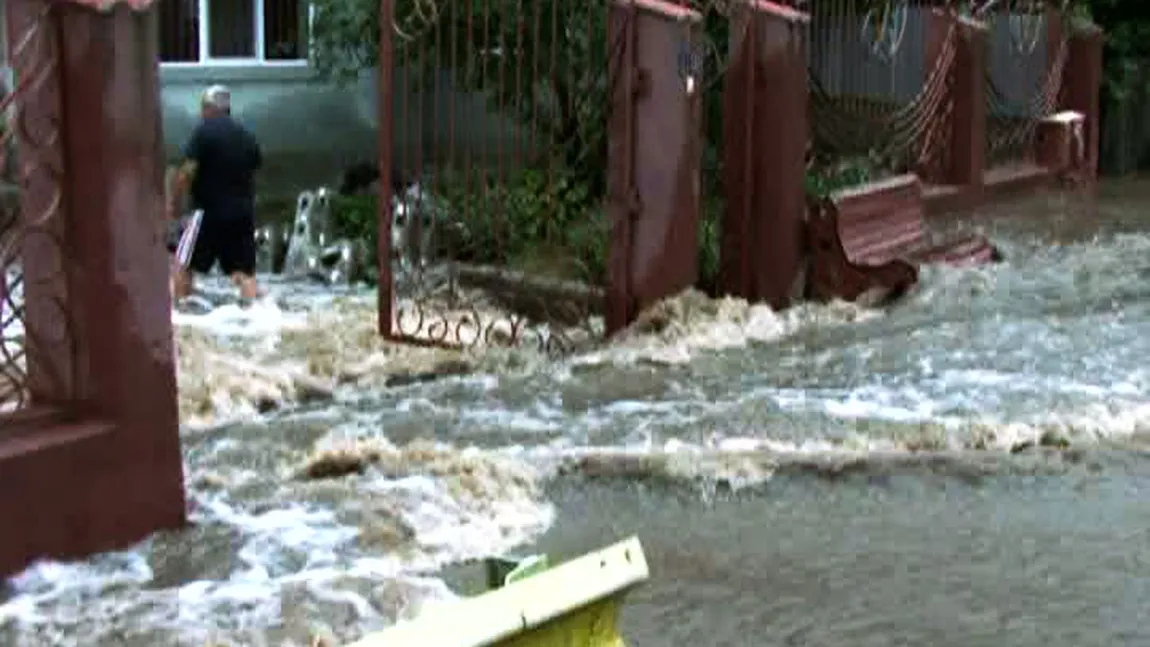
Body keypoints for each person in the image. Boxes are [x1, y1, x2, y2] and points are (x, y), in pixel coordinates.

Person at [165, 84, 263, 303]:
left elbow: (187, 173)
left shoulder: (204, 132)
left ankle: (183, 313)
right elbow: (254, 176)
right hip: (242, 215)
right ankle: (256, 314)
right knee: (243, 273)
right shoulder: (247, 136)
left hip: (207, 213)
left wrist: (173, 205)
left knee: (183, 264)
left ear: (209, 108)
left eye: (202, 108)